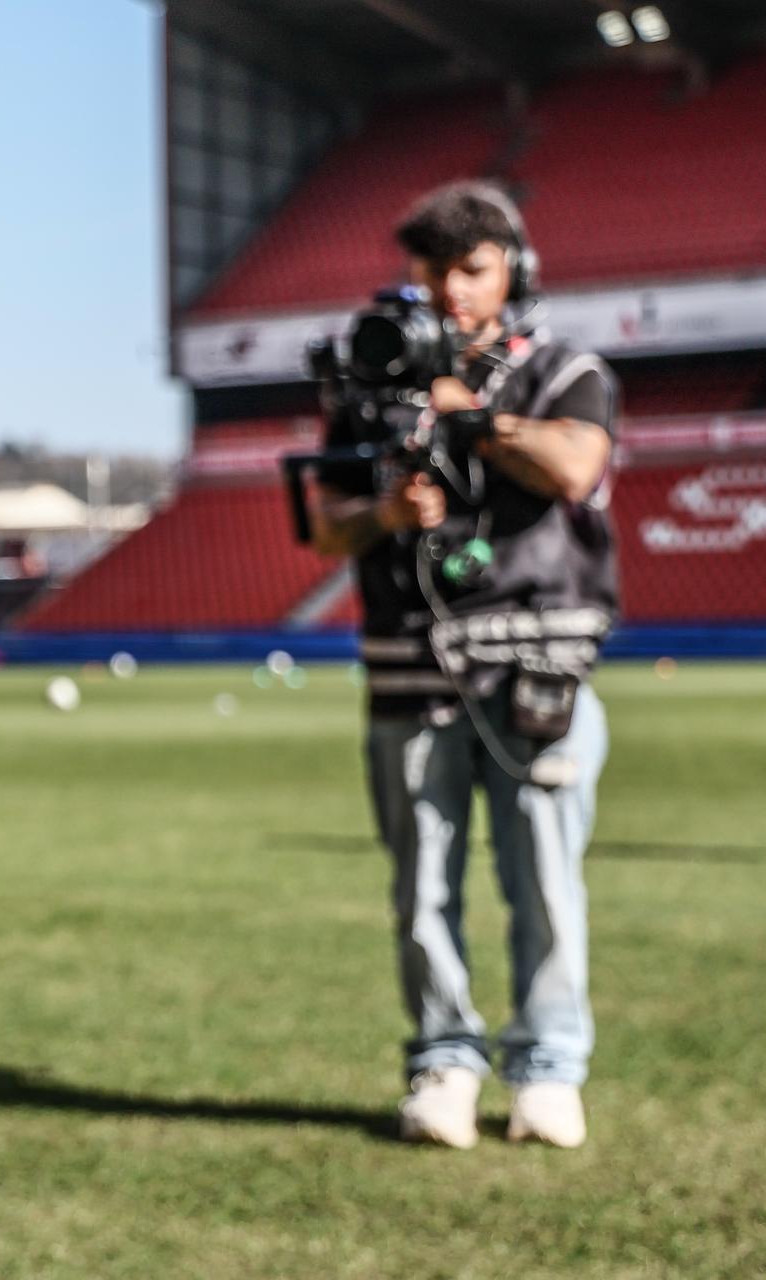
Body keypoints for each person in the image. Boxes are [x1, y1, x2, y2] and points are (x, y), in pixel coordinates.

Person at [311, 182, 620, 1149]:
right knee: (422, 891)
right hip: (410, 669)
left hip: (536, 672)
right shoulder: (369, 380)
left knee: (546, 883)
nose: (452, 288)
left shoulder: (563, 370)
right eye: (436, 268)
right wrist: (387, 514)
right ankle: (444, 1061)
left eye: (472, 268)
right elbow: (323, 527)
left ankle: (548, 1069)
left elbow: (575, 467)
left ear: (512, 271)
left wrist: (470, 417)